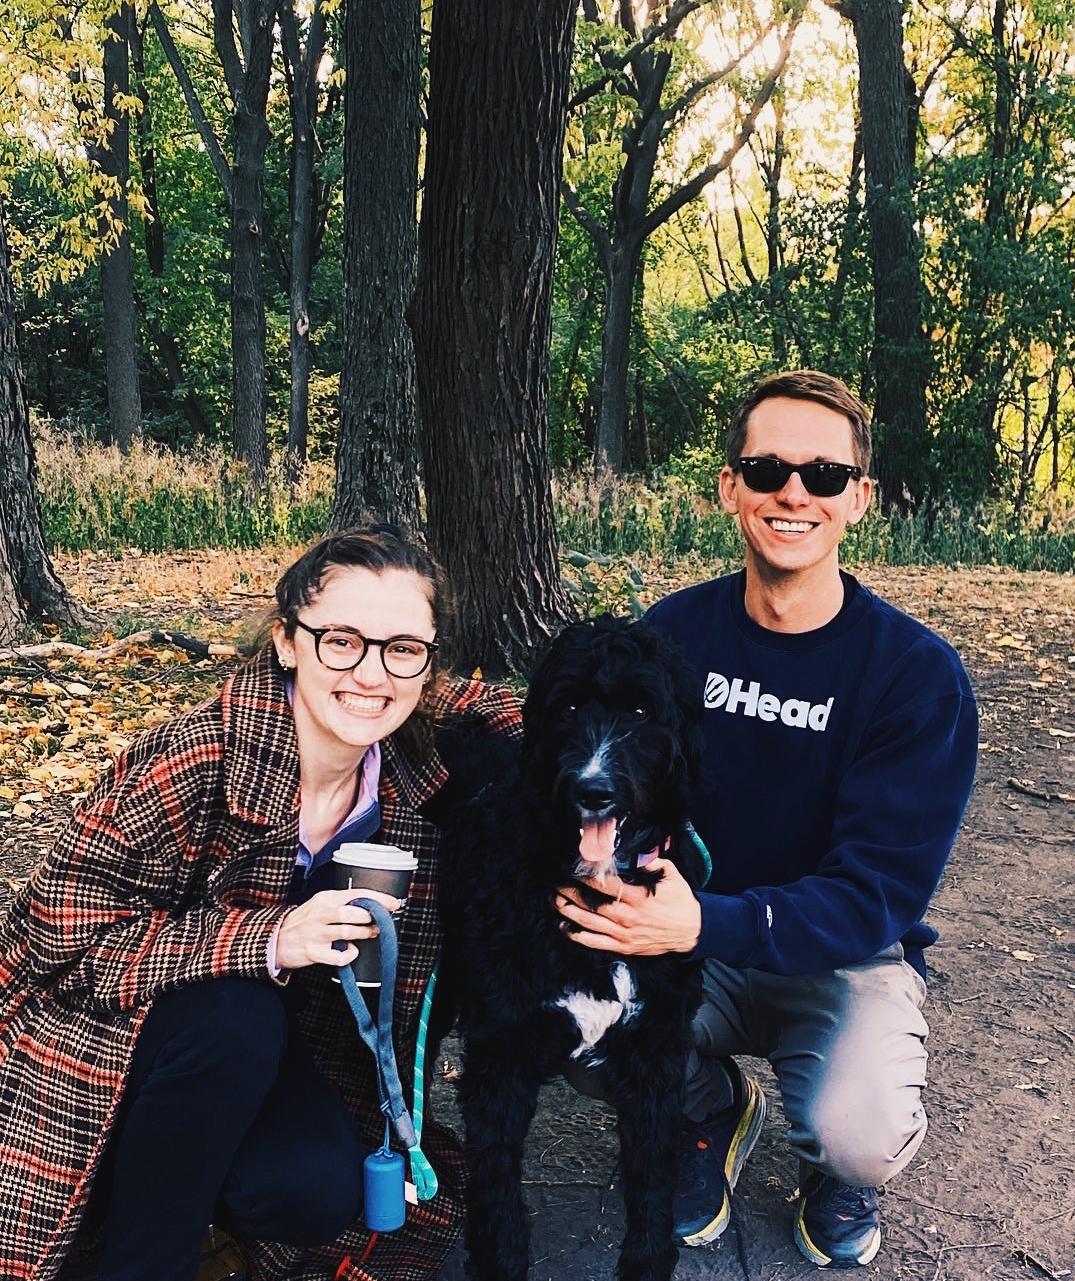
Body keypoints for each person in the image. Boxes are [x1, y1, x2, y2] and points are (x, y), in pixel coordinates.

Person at [0, 526, 520, 1281]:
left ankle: (187, 1216)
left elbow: (517, 710)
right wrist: (271, 937)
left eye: (402, 647)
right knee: (234, 1014)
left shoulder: (407, 767)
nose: (371, 673)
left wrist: (618, 783)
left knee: (315, 1187)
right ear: (286, 640)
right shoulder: (196, 756)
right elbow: (57, 940)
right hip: (95, 1035)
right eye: (341, 639)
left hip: (258, 1055)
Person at [555, 371, 979, 1268]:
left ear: (860, 498)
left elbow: (879, 894)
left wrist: (710, 919)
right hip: (683, 940)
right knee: (562, 1007)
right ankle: (707, 1109)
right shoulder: (670, 637)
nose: (795, 491)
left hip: (836, 954)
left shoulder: (914, 676)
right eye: (769, 467)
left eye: (825, 475)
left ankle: (834, 1167)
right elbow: (612, 785)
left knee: (858, 1128)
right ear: (730, 486)